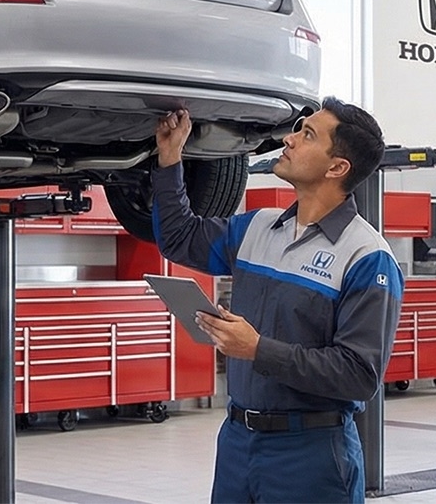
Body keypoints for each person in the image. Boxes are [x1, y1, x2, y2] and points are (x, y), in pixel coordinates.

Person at [151, 98, 401, 504]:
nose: (289, 139)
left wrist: (257, 349)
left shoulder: (367, 257)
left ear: (337, 167)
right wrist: (169, 158)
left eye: (307, 135)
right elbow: (180, 237)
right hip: (237, 442)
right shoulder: (258, 227)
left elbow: (359, 375)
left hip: (311, 453)